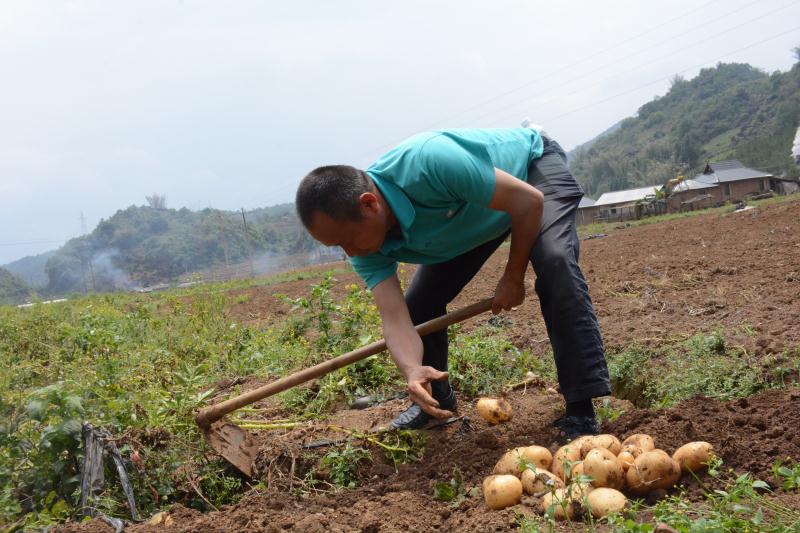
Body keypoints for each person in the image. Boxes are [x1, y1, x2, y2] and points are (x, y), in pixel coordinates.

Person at [295, 127, 610, 440]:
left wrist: (513, 276)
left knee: (555, 261)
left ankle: (581, 409)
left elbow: (528, 203)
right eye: (337, 246)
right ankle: (435, 401)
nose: (349, 253)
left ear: (369, 204)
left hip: (530, 175)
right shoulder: (365, 245)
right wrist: (411, 370)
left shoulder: (429, 162)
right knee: (420, 305)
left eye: (348, 240)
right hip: (470, 218)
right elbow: (395, 318)